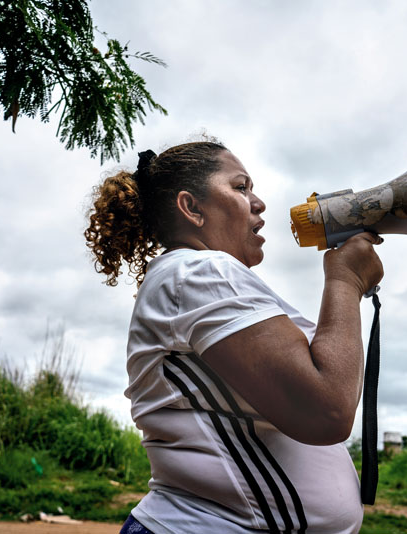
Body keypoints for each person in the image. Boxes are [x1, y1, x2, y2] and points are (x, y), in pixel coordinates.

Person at [85, 140, 383, 534]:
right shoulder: (197, 272)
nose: (258, 203)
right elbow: (326, 409)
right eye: (241, 187)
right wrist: (346, 280)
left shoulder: (195, 277)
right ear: (192, 208)